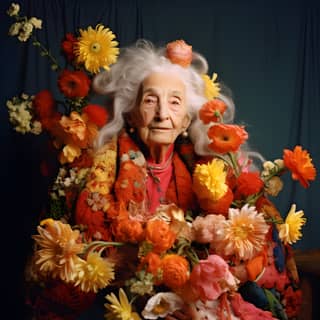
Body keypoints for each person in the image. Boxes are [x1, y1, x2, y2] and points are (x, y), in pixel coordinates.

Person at [27, 39, 302, 320]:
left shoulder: (211, 167)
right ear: (132, 115)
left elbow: (261, 243)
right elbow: (76, 261)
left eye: (174, 102)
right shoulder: (97, 169)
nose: (161, 114)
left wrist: (200, 291)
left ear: (185, 120)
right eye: (150, 100)